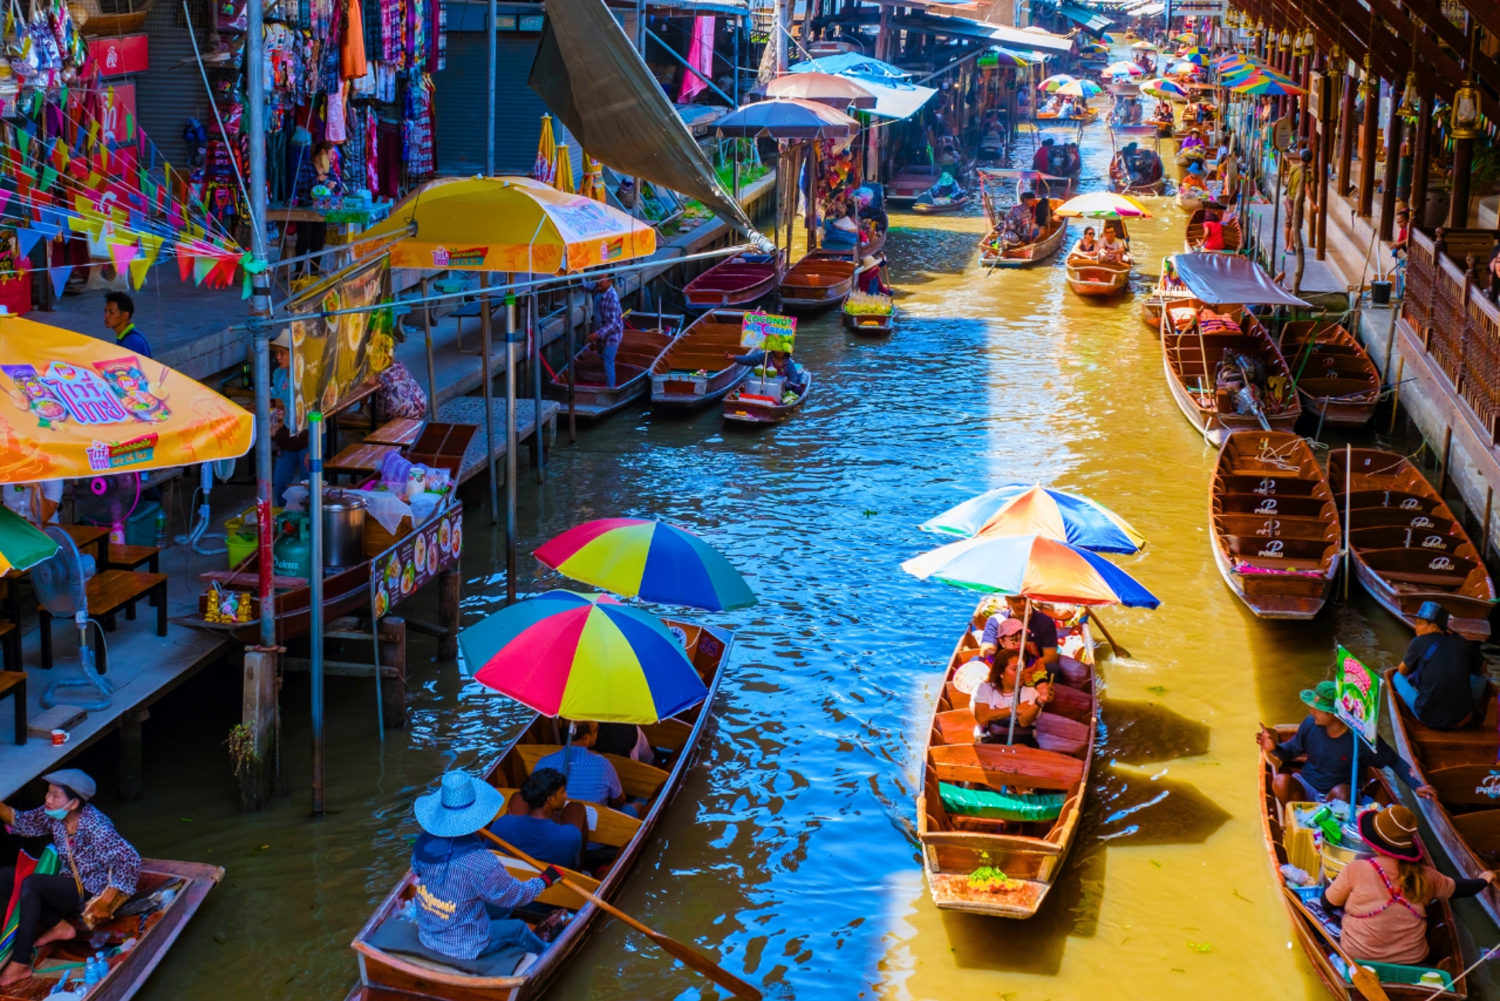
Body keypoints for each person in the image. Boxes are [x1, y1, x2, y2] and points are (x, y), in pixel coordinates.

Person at [0, 770, 140, 986]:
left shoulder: (96, 826)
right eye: (48, 793)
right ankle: (60, 926)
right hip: (67, 881)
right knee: (5, 878)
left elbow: (130, 860)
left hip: (90, 890)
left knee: (32, 884)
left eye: (55, 796)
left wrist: (105, 900)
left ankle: (21, 963)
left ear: (73, 804)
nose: (47, 799)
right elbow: (23, 822)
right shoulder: (54, 816)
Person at [409, 771, 562, 961]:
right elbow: (518, 895)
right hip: (462, 945)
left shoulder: (423, 842)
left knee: (503, 909)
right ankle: (546, 950)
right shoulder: (481, 862)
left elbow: (416, 870)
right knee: (518, 928)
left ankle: (495, 933)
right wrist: (545, 880)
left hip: (428, 931)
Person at [1323, 804, 1497, 966]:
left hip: (1359, 957)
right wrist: (1483, 880)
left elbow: (1328, 903)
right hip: (1412, 961)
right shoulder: (1428, 877)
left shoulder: (1357, 869)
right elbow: (1460, 888)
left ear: (1374, 844)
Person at [1257, 682, 1435, 811]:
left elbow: (1394, 760)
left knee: (1341, 792)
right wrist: (1274, 748)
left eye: (1317, 709)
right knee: (1280, 781)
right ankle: (1297, 823)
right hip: (1309, 787)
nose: (1312, 711)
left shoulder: (1360, 738)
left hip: (1341, 797)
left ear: (1333, 714)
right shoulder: (1311, 724)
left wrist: (1416, 785)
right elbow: (1290, 752)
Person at [1394, 601, 1487, 730]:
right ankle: (1468, 712)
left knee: (1397, 677)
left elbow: (1403, 670)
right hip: (1460, 720)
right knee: (1481, 679)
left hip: (1427, 718)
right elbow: (1482, 670)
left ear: (1433, 626)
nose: (1416, 627)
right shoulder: (1464, 642)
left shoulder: (1418, 641)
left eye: (1420, 623)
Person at [489, 768, 585, 870]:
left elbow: (488, 852)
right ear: (550, 800)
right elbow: (574, 867)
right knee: (576, 808)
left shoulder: (502, 824)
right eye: (562, 791)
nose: (566, 795)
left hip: (507, 881)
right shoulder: (571, 835)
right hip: (552, 885)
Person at [533, 721, 631, 814]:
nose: (597, 733)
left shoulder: (544, 762)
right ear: (585, 737)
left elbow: (534, 795)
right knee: (639, 803)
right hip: (597, 824)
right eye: (596, 730)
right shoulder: (603, 765)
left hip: (553, 821)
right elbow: (619, 801)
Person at [971, 649, 1052, 747]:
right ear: (1001, 672)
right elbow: (982, 717)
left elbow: (1024, 722)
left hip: (1022, 743)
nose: (1021, 673)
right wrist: (1014, 709)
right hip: (992, 741)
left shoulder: (1030, 692)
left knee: (1018, 748)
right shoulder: (985, 688)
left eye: (1023, 668)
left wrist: (1039, 701)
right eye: (1015, 669)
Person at [292, 141, 344, 277]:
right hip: (305, 209)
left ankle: (314, 271)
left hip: (322, 210)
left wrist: (334, 185)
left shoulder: (329, 169)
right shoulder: (305, 166)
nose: (333, 157)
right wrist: (317, 179)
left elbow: (338, 185)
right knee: (304, 239)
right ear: (323, 152)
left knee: (318, 240)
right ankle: (299, 271)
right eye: (331, 153)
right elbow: (300, 183)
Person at [269, 329, 308, 505]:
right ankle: (286, 521)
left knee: (309, 485)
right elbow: (280, 402)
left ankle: (309, 523)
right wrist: (277, 423)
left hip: (309, 435)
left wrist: (315, 447)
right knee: (280, 483)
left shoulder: (308, 376)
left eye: (282, 353)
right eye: (277, 353)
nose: (278, 357)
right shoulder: (280, 375)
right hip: (289, 433)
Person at [978, 595, 1059, 669]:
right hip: (1002, 669)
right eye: (1016, 599)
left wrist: (1026, 667)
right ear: (1007, 600)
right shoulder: (996, 620)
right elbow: (985, 650)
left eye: (1025, 598)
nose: (1022, 603)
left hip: (1033, 669)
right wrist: (1008, 666)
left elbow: (1051, 657)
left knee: (1053, 668)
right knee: (976, 661)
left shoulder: (1045, 622)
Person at [586, 275, 624, 389]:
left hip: (613, 334)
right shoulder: (598, 288)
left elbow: (613, 323)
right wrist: (577, 276)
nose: (598, 282)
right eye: (597, 279)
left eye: (602, 280)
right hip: (601, 330)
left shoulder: (612, 298)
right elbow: (585, 287)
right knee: (603, 357)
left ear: (609, 282)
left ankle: (610, 390)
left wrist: (597, 334)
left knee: (608, 362)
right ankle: (611, 376)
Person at [727, 346, 807, 396]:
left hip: (779, 392)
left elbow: (793, 381)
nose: (779, 351)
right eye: (776, 347)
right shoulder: (765, 357)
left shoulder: (789, 364)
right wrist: (734, 357)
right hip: (760, 387)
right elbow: (749, 359)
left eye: (782, 348)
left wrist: (783, 385)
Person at [103, 291, 150, 358]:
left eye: (111, 312)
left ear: (125, 316)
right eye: (105, 311)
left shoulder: (131, 341)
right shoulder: (127, 337)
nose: (105, 316)